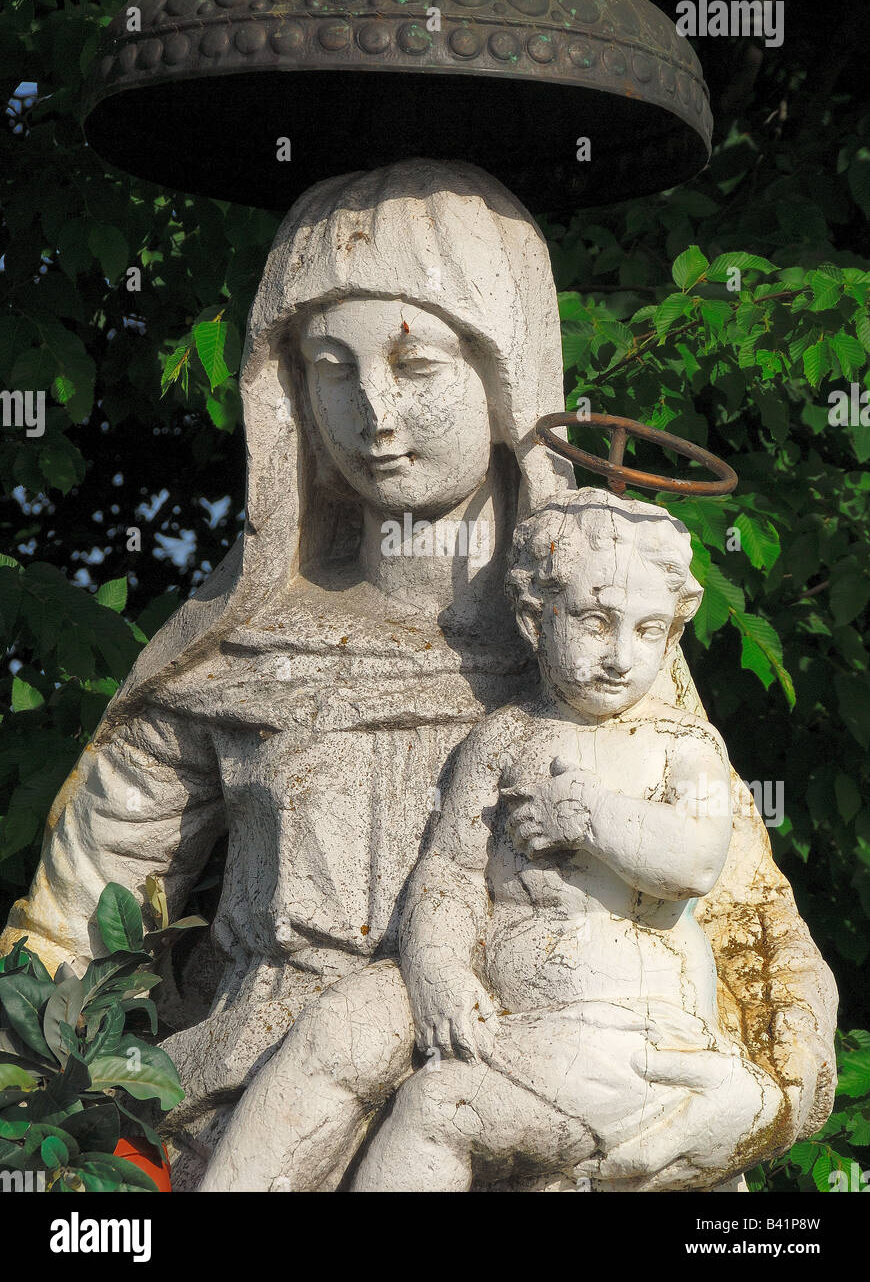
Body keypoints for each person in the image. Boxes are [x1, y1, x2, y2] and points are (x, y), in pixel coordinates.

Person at [0, 161, 836, 1192]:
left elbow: (758, 945)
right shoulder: (234, 647)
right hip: (248, 1117)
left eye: (418, 363)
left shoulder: (600, 662)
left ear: (506, 372)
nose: (374, 413)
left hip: (557, 1106)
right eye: (331, 366)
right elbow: (66, 936)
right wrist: (43, 1129)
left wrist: (748, 1109)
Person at [352, 490, 785, 1191]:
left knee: (438, 1106)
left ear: (672, 637)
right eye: (595, 622)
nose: (620, 656)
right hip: (533, 1037)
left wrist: (591, 818)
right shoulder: (502, 740)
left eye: (648, 632)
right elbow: (449, 874)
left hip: (642, 1042)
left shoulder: (682, 742)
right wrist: (438, 975)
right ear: (533, 618)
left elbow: (699, 860)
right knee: (440, 1104)